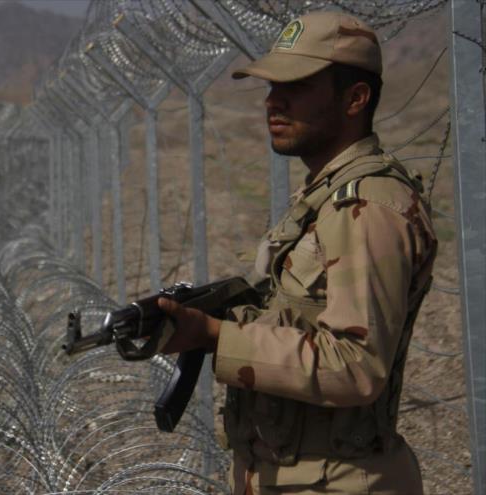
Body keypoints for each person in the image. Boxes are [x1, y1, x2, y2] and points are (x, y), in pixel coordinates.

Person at [156, 11, 437, 495]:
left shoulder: (365, 206)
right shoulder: (325, 199)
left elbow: (357, 364)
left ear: (355, 98)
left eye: (297, 86)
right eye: (270, 87)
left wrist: (217, 337)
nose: (273, 101)